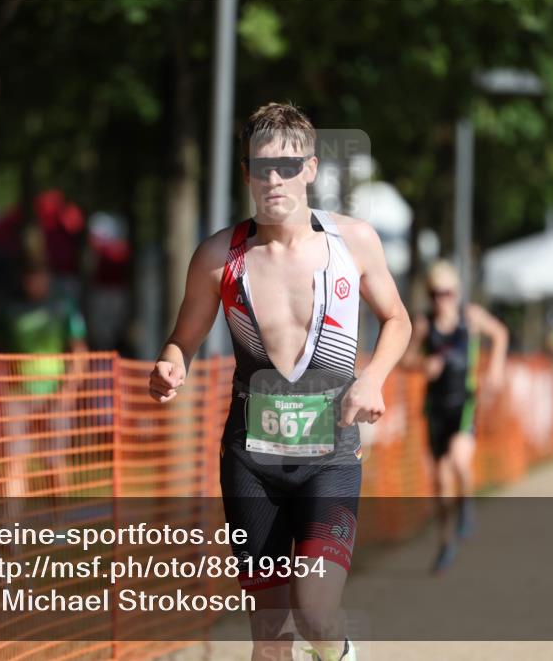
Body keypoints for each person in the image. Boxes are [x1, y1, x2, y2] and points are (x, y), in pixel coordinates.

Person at [148, 102, 411, 661]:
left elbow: (398, 319)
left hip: (329, 458)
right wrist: (171, 363)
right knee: (268, 638)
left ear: (310, 169)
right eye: (261, 167)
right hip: (250, 461)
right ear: (245, 172)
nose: (274, 180)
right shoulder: (219, 257)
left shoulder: (354, 243)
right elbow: (183, 340)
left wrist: (373, 379)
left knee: (315, 614)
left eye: (287, 167)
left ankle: (339, 654)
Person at [402, 260, 507, 573]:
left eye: (446, 293)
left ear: (457, 293)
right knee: (440, 480)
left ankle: (467, 508)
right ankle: (446, 543)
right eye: (434, 294)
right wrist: (423, 365)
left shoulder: (470, 317)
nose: (440, 300)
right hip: (435, 408)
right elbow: (405, 359)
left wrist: (496, 369)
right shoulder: (424, 324)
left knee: (460, 462)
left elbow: (500, 334)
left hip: (465, 403)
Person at [2, 258, 88, 499]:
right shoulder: (12, 309)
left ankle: (59, 523)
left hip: (55, 394)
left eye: (38, 277)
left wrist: (67, 392)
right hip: (19, 394)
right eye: (29, 277)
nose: (33, 283)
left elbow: (80, 351)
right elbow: (1, 351)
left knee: (53, 461)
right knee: (14, 459)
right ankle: (11, 528)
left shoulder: (64, 307)